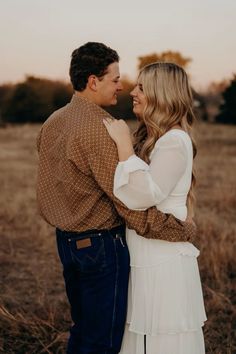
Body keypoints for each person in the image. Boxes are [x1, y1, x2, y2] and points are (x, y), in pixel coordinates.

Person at [36, 43, 197, 354]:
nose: (122, 87)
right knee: (102, 340)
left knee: (83, 328)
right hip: (100, 246)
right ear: (94, 81)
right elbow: (130, 205)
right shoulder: (99, 129)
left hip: (67, 242)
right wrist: (182, 230)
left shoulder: (53, 120)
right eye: (116, 79)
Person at [103, 62, 207, 354]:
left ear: (161, 94)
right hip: (145, 256)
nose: (132, 92)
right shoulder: (155, 138)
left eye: (141, 87)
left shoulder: (175, 140)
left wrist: (123, 146)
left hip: (162, 262)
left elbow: (142, 195)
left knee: (160, 340)